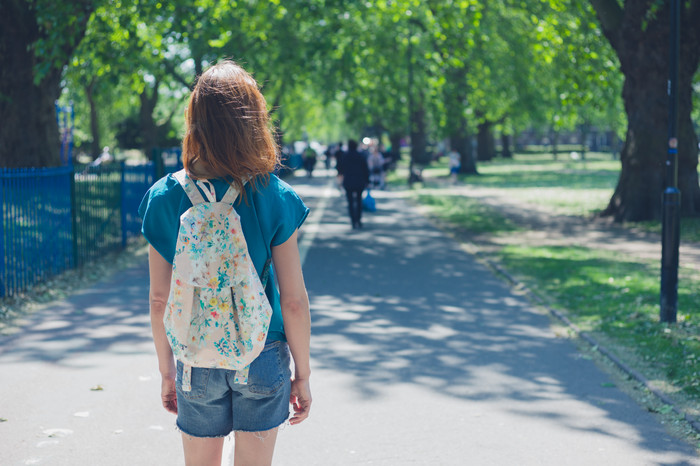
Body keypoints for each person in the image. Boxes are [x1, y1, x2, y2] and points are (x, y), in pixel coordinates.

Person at [139, 60, 312, 466]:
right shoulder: (275, 195)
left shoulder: (163, 197)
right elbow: (294, 302)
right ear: (253, 122)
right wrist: (301, 373)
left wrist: (168, 370)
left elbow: (159, 300)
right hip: (261, 352)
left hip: (195, 356)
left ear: (195, 121)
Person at [336, 139, 369, 229]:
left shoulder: (345, 156)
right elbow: (366, 169)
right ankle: (358, 219)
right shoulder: (361, 156)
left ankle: (353, 221)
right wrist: (367, 181)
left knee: (350, 202)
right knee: (359, 201)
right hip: (359, 181)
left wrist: (340, 179)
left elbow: (340, 168)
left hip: (348, 182)